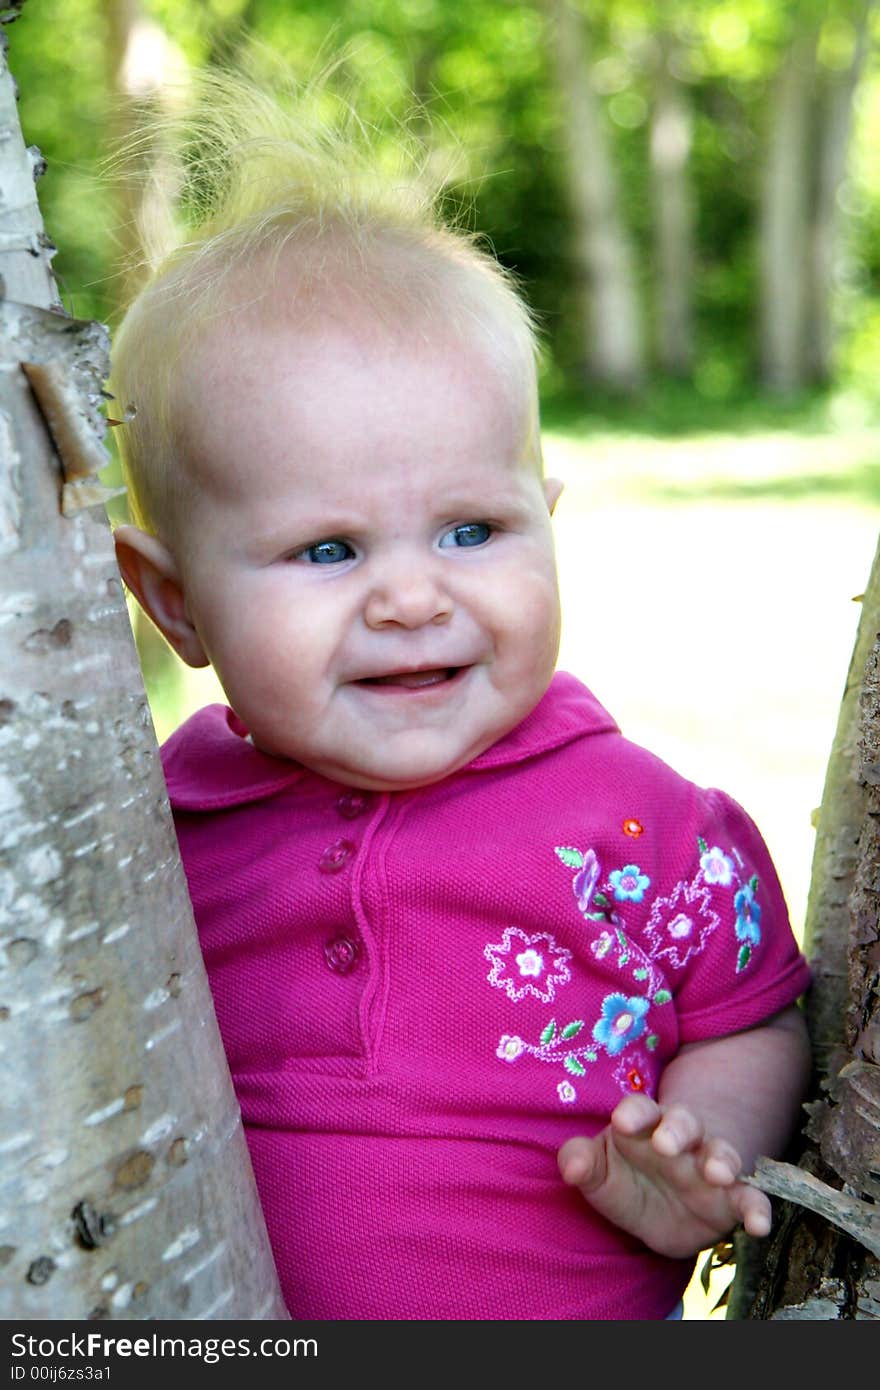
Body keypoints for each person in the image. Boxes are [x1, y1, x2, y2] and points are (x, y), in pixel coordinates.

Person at [110, 70, 812, 1321]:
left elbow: (753, 1014)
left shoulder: (644, 823)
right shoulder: (148, 830)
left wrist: (697, 1152)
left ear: (547, 524)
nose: (410, 597)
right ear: (173, 605)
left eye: (472, 530)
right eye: (329, 551)